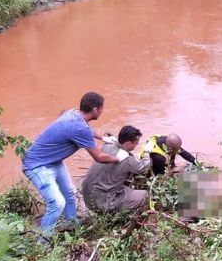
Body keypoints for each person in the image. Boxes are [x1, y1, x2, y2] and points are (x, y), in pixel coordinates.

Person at [22, 92, 120, 234]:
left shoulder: (74, 113)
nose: (102, 111)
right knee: (57, 203)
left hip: (53, 161)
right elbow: (98, 157)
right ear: (95, 110)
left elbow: (87, 129)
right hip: (37, 165)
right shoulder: (80, 128)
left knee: (69, 193)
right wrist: (120, 158)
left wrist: (103, 138)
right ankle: (42, 242)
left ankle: (71, 225)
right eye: (102, 108)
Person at [81, 125, 152, 214]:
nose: (136, 145)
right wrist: (146, 153)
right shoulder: (128, 160)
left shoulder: (108, 144)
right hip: (102, 204)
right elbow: (145, 166)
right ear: (128, 143)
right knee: (145, 195)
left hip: (87, 197)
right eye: (136, 143)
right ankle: (113, 213)